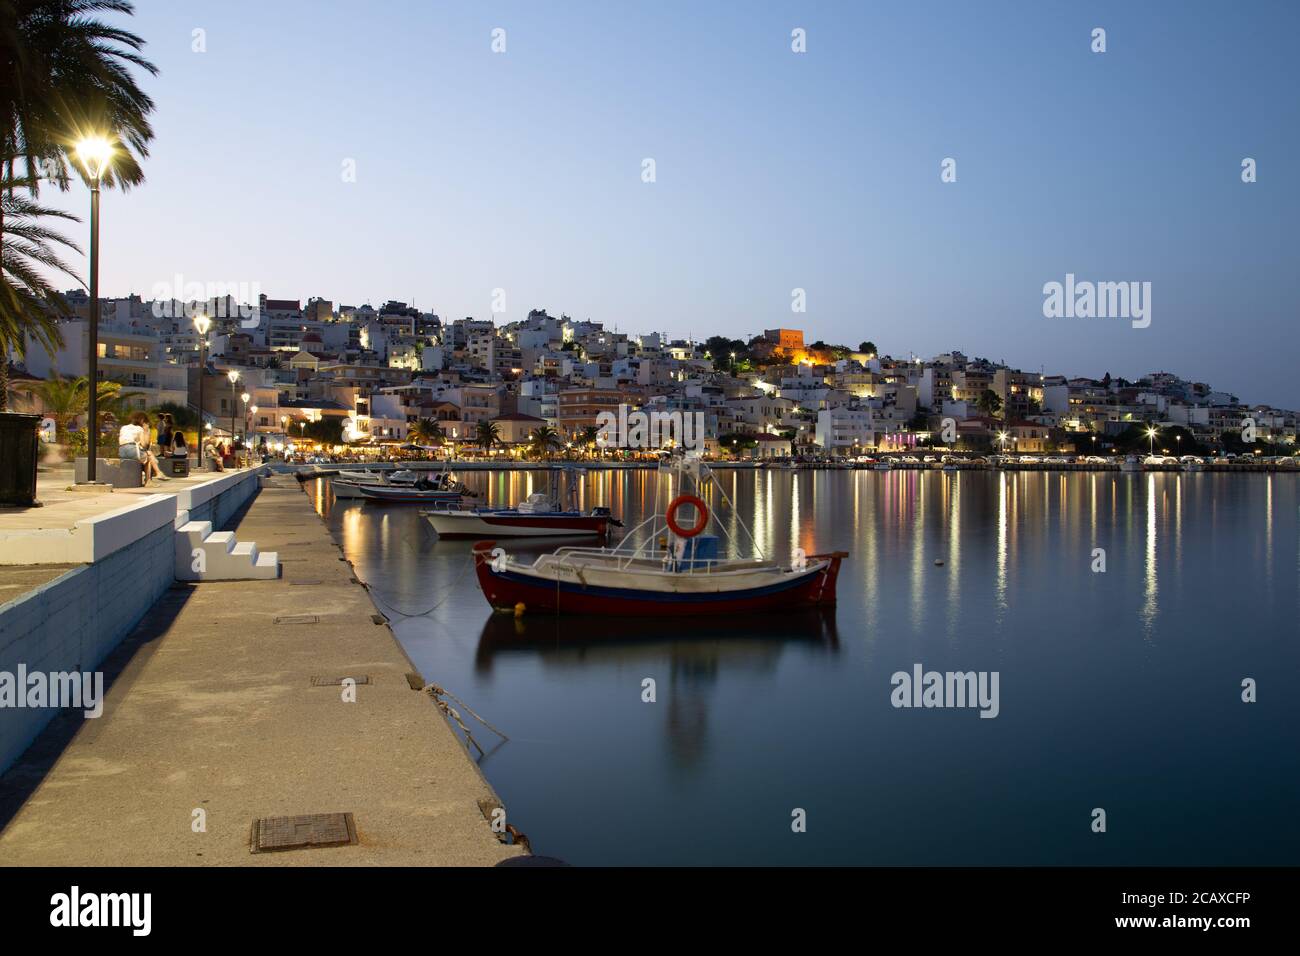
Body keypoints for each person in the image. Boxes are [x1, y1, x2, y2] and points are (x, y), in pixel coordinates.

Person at [118, 411, 167, 484]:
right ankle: (149, 480)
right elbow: (144, 445)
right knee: (149, 458)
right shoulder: (139, 429)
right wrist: (147, 432)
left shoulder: (124, 427)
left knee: (148, 454)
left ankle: (158, 473)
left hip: (121, 450)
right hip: (132, 450)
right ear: (142, 420)